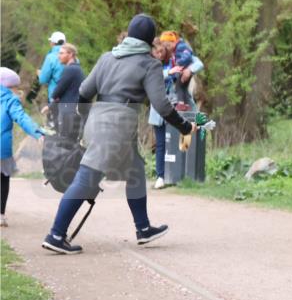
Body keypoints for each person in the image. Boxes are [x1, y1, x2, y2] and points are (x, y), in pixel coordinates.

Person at [40, 14, 197, 255]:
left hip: (97, 120)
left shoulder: (107, 57)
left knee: (134, 170)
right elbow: (162, 105)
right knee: (86, 179)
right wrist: (185, 127)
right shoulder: (149, 63)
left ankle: (143, 229)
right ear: (148, 40)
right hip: (118, 125)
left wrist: (85, 121)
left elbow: (84, 92)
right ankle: (56, 234)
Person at [148, 34, 203, 188]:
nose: (158, 55)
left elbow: (198, 63)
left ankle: (185, 175)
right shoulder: (151, 64)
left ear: (166, 49)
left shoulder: (177, 57)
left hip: (179, 107)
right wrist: (170, 73)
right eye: (155, 53)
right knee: (160, 143)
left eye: (161, 52)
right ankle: (161, 176)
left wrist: (189, 71)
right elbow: (151, 77)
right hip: (159, 108)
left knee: (182, 139)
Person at [1, 67, 47, 227]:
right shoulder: (10, 100)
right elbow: (21, 118)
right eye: (14, 87)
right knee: (3, 179)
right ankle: (0, 215)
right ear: (9, 86)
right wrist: (38, 133)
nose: (16, 90)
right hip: (2, 149)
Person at [48, 43, 85, 139]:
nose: (58, 56)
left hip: (68, 111)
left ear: (71, 54)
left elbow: (58, 91)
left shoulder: (70, 69)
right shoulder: (77, 69)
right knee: (70, 143)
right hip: (74, 111)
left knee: (65, 143)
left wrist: (53, 99)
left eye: (61, 53)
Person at [38, 31, 67, 104]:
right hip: (72, 98)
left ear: (52, 43)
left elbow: (43, 80)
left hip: (55, 97)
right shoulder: (74, 58)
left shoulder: (50, 57)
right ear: (64, 43)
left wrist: (40, 74)